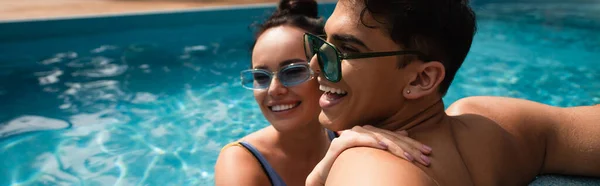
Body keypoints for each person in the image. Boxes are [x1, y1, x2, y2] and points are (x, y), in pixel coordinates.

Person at [302, 0, 600, 185]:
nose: (315, 62)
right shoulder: (493, 124)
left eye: (348, 50)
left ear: (422, 79)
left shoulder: (367, 167)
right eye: (323, 42)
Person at [214, 1, 431, 186]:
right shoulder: (239, 162)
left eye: (294, 71)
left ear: (325, 70)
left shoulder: (351, 137)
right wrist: (319, 177)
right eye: (261, 77)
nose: (274, 89)